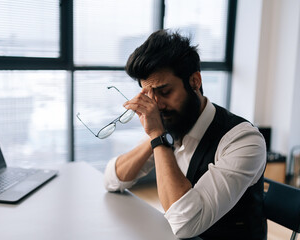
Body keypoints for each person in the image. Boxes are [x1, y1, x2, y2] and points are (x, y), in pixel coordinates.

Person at [103, 29, 267, 240]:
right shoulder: (171, 124)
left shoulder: (244, 140)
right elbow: (112, 180)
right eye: (149, 95)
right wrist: (154, 136)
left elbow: (186, 223)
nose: (157, 105)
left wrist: (157, 135)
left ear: (194, 81)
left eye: (165, 92)